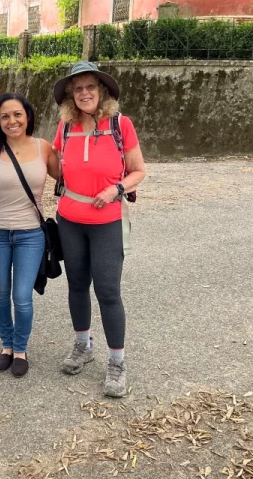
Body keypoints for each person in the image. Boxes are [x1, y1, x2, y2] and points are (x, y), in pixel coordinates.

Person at [51, 61, 146, 398]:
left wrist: (116, 189)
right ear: (69, 96)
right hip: (70, 221)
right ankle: (82, 345)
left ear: (102, 91)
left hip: (108, 222)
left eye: (90, 87)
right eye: (77, 89)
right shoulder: (64, 129)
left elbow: (138, 170)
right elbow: (50, 165)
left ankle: (117, 363)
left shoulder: (120, 125)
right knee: (77, 285)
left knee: (107, 291)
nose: (84, 93)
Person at [0, 93, 59, 378]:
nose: (11, 120)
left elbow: (68, 177)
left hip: (31, 233)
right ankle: (6, 346)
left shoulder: (43, 148)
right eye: (4, 116)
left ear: (28, 116)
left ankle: (20, 348)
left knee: (22, 296)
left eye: (17, 114)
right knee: (0, 293)